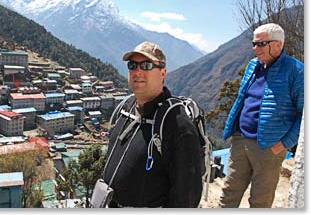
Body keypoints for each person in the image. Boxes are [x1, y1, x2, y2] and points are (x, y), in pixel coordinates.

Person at [102, 41, 203, 208]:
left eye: (147, 65)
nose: (138, 71)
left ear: (163, 72)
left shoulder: (177, 125)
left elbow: (187, 198)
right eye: (132, 65)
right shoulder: (126, 109)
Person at [219, 23, 304, 208]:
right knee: (228, 195)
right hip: (240, 140)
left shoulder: (297, 71)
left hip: (269, 147)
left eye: (261, 44)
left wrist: (284, 144)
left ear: (278, 45)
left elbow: (305, 115)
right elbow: (243, 98)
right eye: (254, 43)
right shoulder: (252, 66)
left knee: (260, 201)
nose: (255, 49)